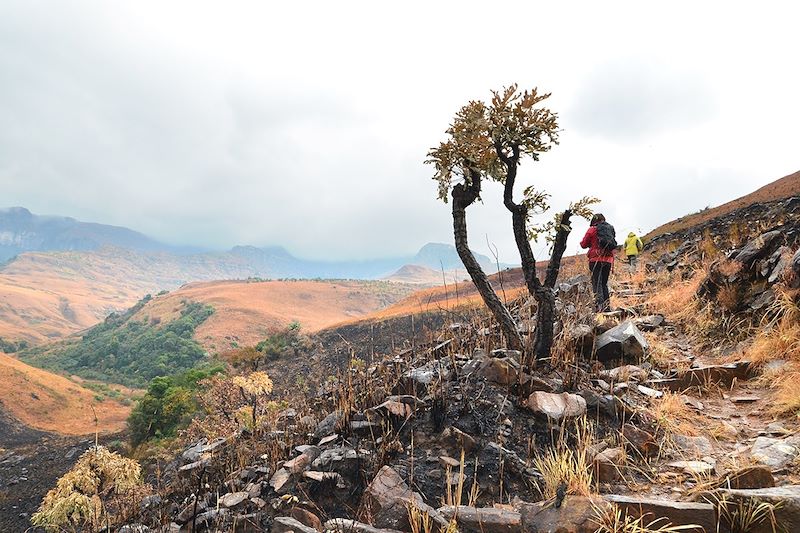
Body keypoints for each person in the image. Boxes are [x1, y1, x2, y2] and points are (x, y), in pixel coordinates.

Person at [580, 213, 615, 312]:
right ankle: (607, 307)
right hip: (608, 260)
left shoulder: (592, 229)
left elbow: (583, 244)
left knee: (597, 283)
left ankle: (599, 307)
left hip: (595, 259)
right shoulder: (610, 229)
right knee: (604, 283)